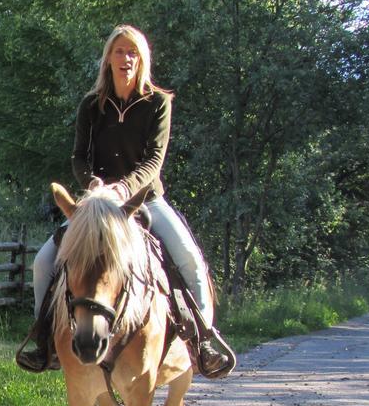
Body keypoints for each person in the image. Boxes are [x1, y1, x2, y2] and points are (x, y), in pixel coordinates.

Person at [18, 24, 232, 378]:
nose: (126, 58)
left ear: (142, 60)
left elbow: (154, 160)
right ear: (108, 59)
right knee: (43, 262)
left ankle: (203, 340)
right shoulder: (91, 105)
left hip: (145, 201)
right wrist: (93, 183)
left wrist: (124, 188)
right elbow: (78, 157)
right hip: (98, 205)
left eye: (132, 52)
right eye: (119, 51)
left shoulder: (158, 103)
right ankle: (43, 343)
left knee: (190, 259)